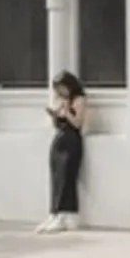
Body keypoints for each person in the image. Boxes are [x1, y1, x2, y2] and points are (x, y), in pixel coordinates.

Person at [38, 71, 87, 234]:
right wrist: (55, 115)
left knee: (67, 175)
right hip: (59, 139)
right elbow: (57, 123)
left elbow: (78, 123)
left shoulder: (78, 100)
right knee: (56, 175)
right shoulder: (61, 100)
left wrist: (67, 113)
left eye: (62, 88)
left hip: (72, 140)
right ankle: (54, 212)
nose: (61, 92)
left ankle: (66, 214)